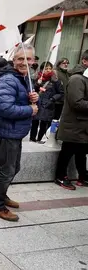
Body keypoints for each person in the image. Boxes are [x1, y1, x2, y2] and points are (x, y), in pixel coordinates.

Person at [0, 45, 39, 222]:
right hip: (6, 133)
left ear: (33, 61)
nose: (24, 62)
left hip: (14, 132)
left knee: (13, 168)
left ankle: (3, 196)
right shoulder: (9, 79)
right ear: (13, 60)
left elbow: (16, 99)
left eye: (28, 59)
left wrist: (32, 98)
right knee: (7, 170)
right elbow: (4, 108)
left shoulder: (23, 78)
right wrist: (29, 109)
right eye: (20, 59)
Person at [55, 50, 88, 189]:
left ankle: (82, 176)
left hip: (83, 125)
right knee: (68, 151)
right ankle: (60, 176)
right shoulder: (77, 79)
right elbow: (77, 103)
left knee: (82, 152)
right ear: (85, 61)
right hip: (74, 125)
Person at [29, 61, 63, 143]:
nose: (48, 70)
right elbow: (32, 90)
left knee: (44, 122)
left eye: (50, 68)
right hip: (38, 103)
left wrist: (52, 99)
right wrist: (37, 84)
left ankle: (40, 138)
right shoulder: (37, 78)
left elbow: (61, 93)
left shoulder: (55, 80)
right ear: (42, 70)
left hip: (48, 105)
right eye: (46, 68)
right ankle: (32, 138)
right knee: (35, 122)